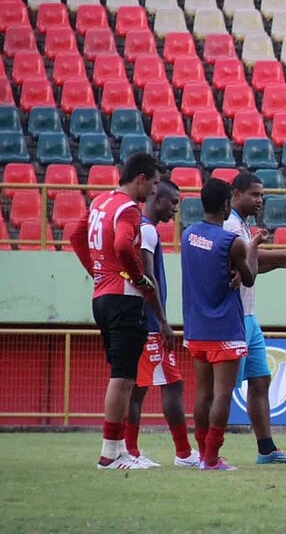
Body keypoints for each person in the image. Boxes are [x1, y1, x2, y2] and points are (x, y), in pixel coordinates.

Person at [69, 153, 166, 470]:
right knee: (123, 377)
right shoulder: (128, 209)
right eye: (152, 183)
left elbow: (75, 235)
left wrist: (96, 270)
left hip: (102, 295)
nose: (153, 191)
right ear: (140, 178)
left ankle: (120, 450)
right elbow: (125, 246)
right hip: (123, 297)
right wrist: (139, 278)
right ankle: (109, 454)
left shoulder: (100, 201)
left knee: (122, 375)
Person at [223, 172, 286, 464]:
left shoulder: (244, 227)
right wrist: (284, 254)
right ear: (236, 194)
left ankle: (266, 449)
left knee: (260, 380)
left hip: (249, 316)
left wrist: (281, 261)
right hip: (233, 317)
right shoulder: (230, 226)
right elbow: (243, 264)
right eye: (254, 194)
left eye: (261, 195)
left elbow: (250, 267)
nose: (260, 200)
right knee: (221, 389)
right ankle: (208, 452)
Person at [182, 178, 261, 471]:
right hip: (225, 328)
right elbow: (250, 276)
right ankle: (213, 458)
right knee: (222, 395)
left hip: (195, 326)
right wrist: (253, 247)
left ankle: (202, 453)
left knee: (202, 394)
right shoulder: (232, 242)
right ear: (227, 204)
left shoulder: (187, 235)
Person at [124, 180, 199, 468]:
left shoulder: (147, 230)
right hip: (148, 323)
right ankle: (140, 452)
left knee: (157, 386)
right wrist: (163, 322)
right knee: (153, 386)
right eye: (173, 203)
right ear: (157, 197)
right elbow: (146, 276)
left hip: (147, 321)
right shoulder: (146, 230)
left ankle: (175, 452)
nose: (175, 209)